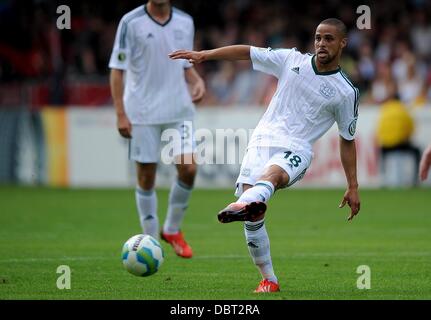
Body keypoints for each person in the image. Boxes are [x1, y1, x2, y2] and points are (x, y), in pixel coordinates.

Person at [170, 18, 360, 292]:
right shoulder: (290, 59)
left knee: (274, 177)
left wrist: (352, 185)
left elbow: (347, 140)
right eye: (318, 37)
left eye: (329, 39)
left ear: (342, 43)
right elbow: (246, 52)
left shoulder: (346, 92)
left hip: (297, 148)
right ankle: (269, 279)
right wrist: (205, 55)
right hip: (261, 141)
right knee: (253, 215)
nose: (321, 43)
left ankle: (246, 202)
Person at [109, 0, 205, 258]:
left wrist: (196, 80)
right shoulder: (130, 22)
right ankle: (150, 240)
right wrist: (120, 113)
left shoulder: (185, 21)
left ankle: (172, 229)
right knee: (146, 177)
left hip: (178, 110)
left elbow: (184, 64)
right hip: (142, 112)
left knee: (189, 167)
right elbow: (117, 70)